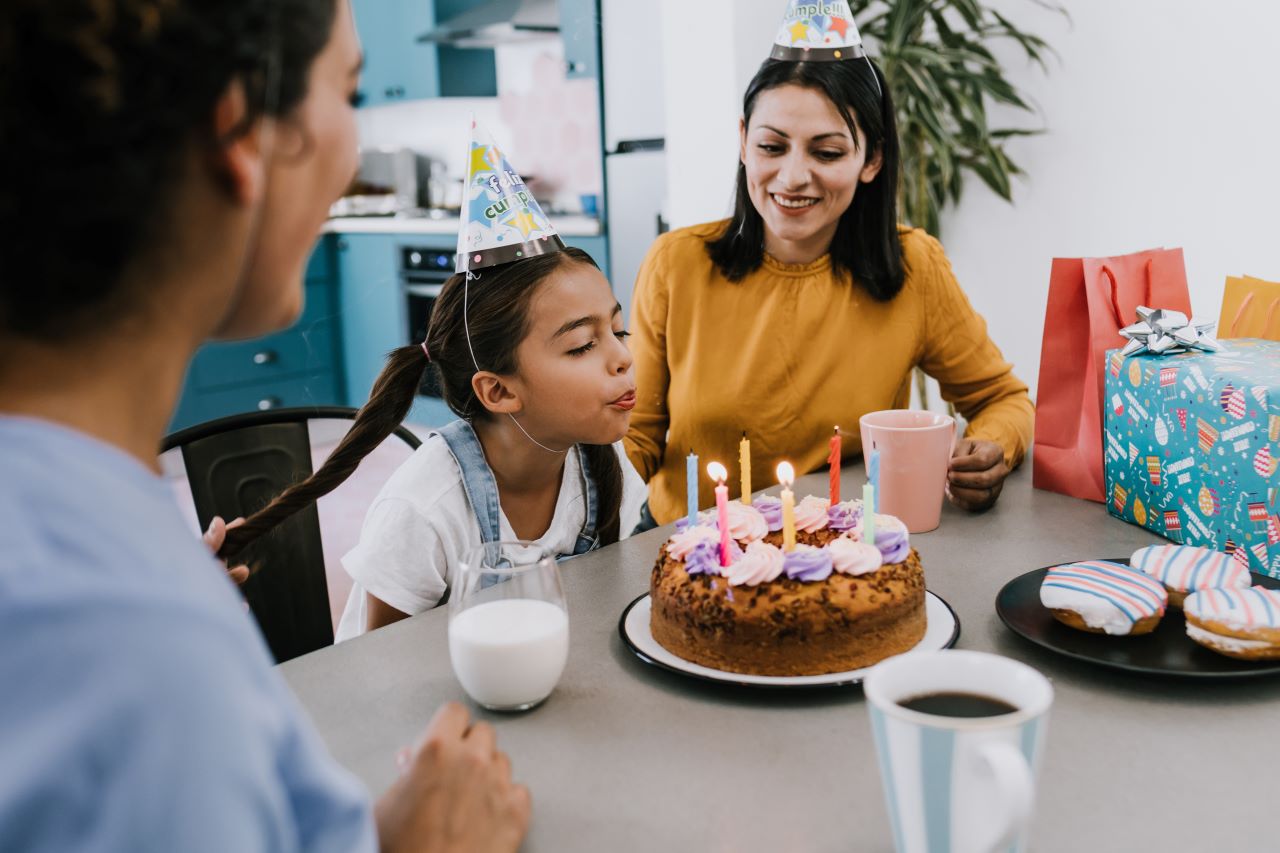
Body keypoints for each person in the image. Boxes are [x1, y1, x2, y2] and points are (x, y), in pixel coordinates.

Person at [0, 1, 527, 850]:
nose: (352, 150)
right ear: (239, 133)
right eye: (346, 94)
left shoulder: (88, 560)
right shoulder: (125, 636)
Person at [214, 131, 646, 640]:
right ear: (499, 391)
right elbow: (387, 670)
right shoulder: (424, 510)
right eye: (581, 346)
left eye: (617, 331)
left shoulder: (602, 465)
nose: (623, 358)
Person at [624, 7, 1034, 527]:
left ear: (871, 160)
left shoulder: (915, 267)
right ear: (743, 140)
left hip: (839, 547)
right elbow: (635, 433)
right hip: (690, 543)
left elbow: (1003, 399)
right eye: (771, 146)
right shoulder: (675, 264)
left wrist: (989, 451)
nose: (793, 177)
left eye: (828, 152)